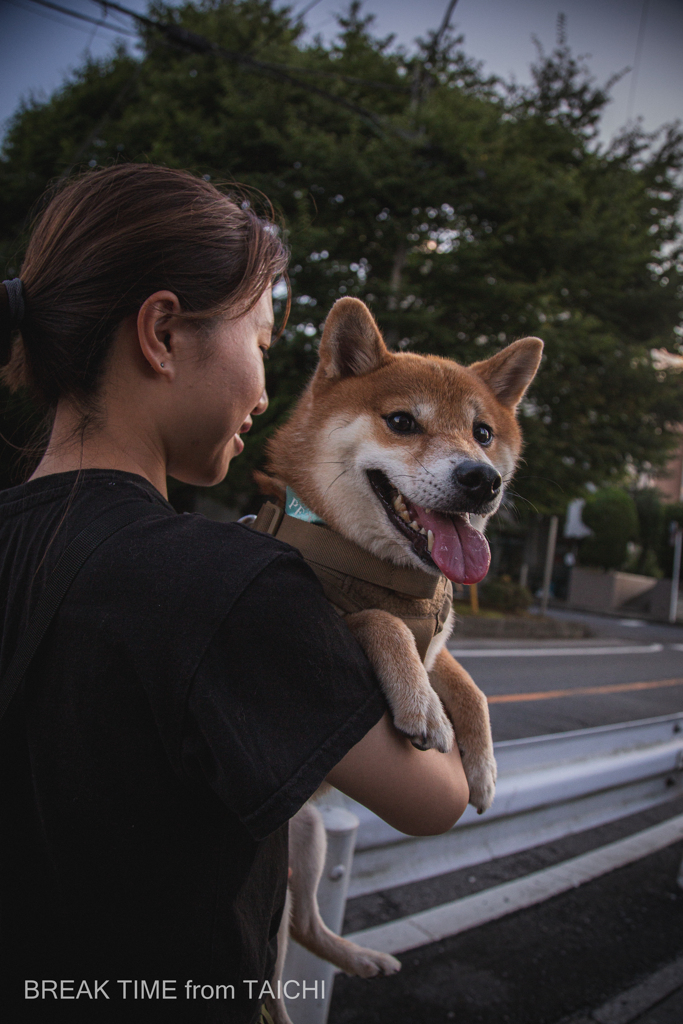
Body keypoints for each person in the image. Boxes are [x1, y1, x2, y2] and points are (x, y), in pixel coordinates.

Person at [0, 164, 468, 1023]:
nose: (266, 386)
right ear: (164, 334)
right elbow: (436, 797)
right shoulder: (227, 585)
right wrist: (414, 621)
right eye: (259, 341)